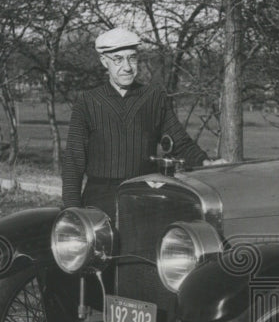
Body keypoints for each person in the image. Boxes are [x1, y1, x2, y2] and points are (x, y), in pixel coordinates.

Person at [61, 27, 216, 217]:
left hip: (145, 194)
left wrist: (206, 162)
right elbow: (74, 159)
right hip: (99, 199)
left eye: (132, 58)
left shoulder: (153, 96)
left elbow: (179, 142)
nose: (127, 67)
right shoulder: (88, 101)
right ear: (104, 62)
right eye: (118, 59)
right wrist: (71, 208)